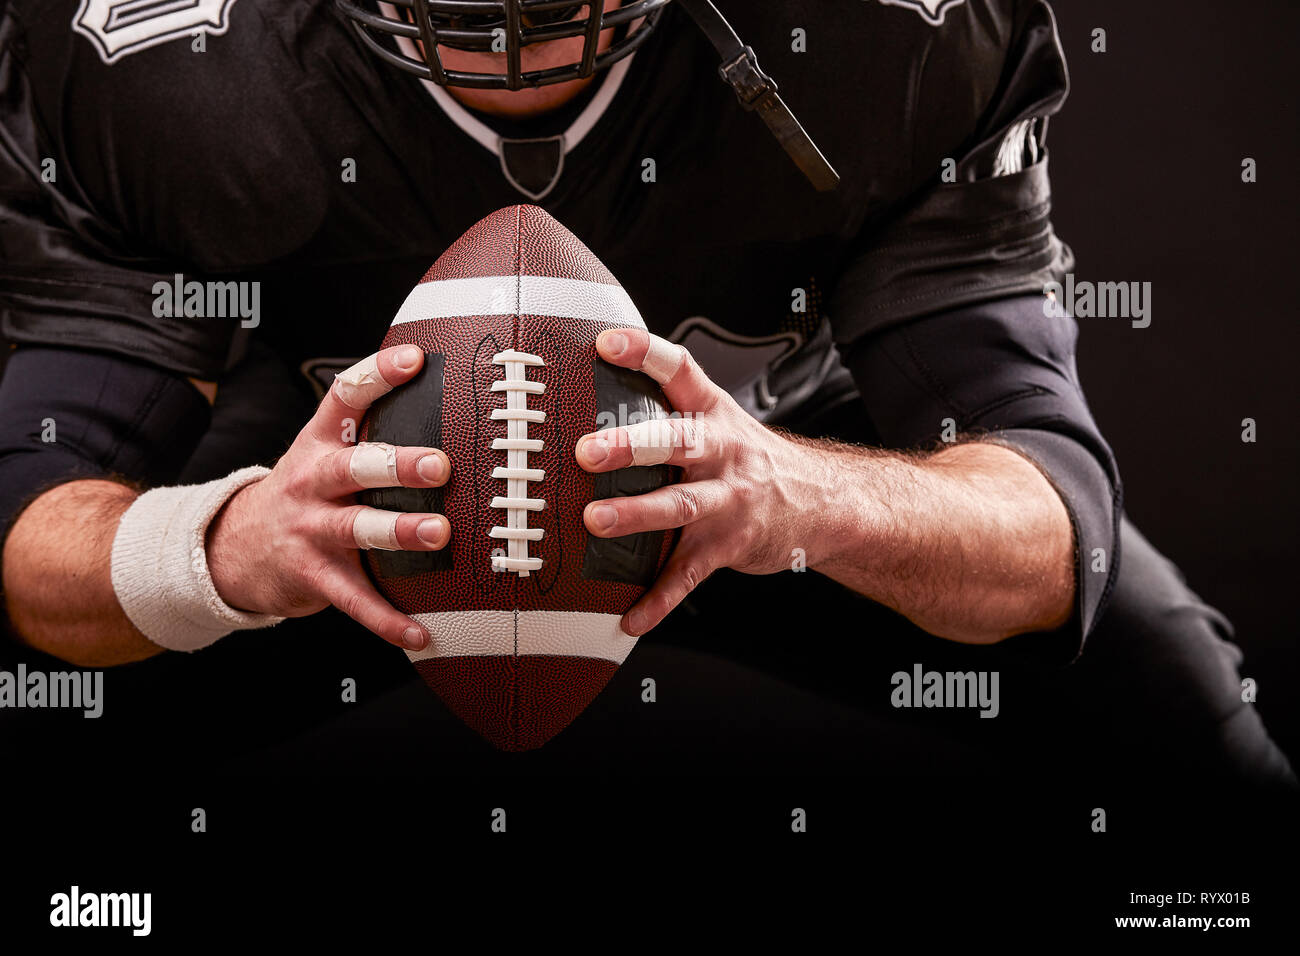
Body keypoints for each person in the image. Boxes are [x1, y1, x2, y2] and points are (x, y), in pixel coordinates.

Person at [0, 0, 1291, 784]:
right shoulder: (149, 68)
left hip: (776, 454)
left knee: (1177, 718)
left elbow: (1054, 526)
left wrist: (800, 498)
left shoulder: (897, 40)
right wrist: (223, 547)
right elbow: (34, 521)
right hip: (344, 504)